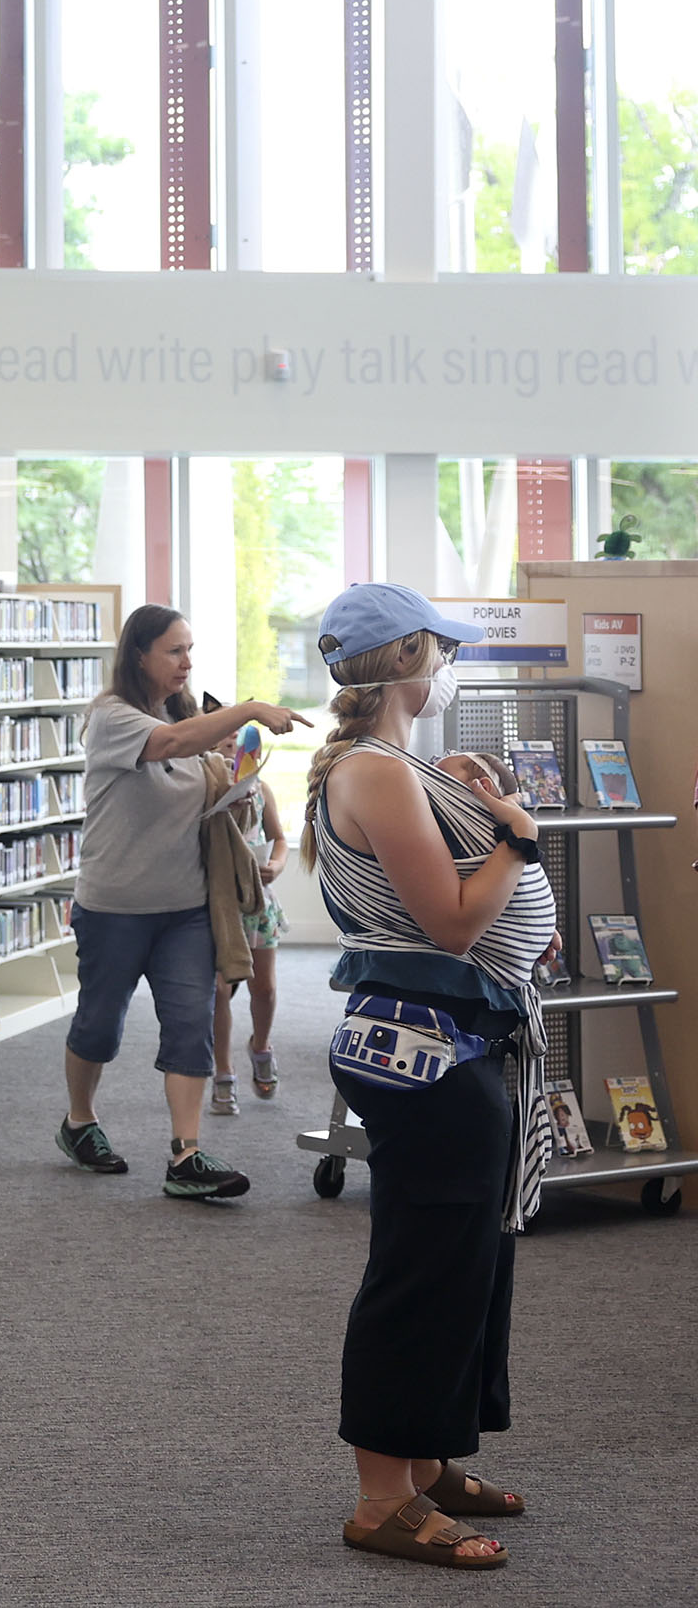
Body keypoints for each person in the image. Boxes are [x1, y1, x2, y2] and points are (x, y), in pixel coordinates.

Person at [303, 585, 552, 1570]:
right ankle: (381, 1497)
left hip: (452, 1039)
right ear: (412, 659)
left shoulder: (390, 763)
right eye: (445, 652)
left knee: (467, 1263)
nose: (452, 668)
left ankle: (425, 1459)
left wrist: (465, 795)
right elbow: (453, 920)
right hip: (426, 1052)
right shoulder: (374, 770)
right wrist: (519, 841)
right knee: (425, 1265)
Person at [56, 603, 306, 1201]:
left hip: (186, 908)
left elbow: (202, 782)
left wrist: (237, 796)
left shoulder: (189, 720)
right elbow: (167, 744)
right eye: (174, 650)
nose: (187, 662)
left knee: (191, 1025)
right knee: (99, 1025)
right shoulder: (112, 717)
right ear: (138, 655)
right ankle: (79, 1121)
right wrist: (246, 710)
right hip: (115, 906)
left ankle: (185, 1154)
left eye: (190, 650)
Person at [211, 782, 289, 1114]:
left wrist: (275, 866)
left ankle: (260, 1047)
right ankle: (223, 1073)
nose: (230, 742)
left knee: (265, 988)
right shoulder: (204, 785)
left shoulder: (261, 788)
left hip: (257, 902)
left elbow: (280, 840)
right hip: (217, 904)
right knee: (218, 991)